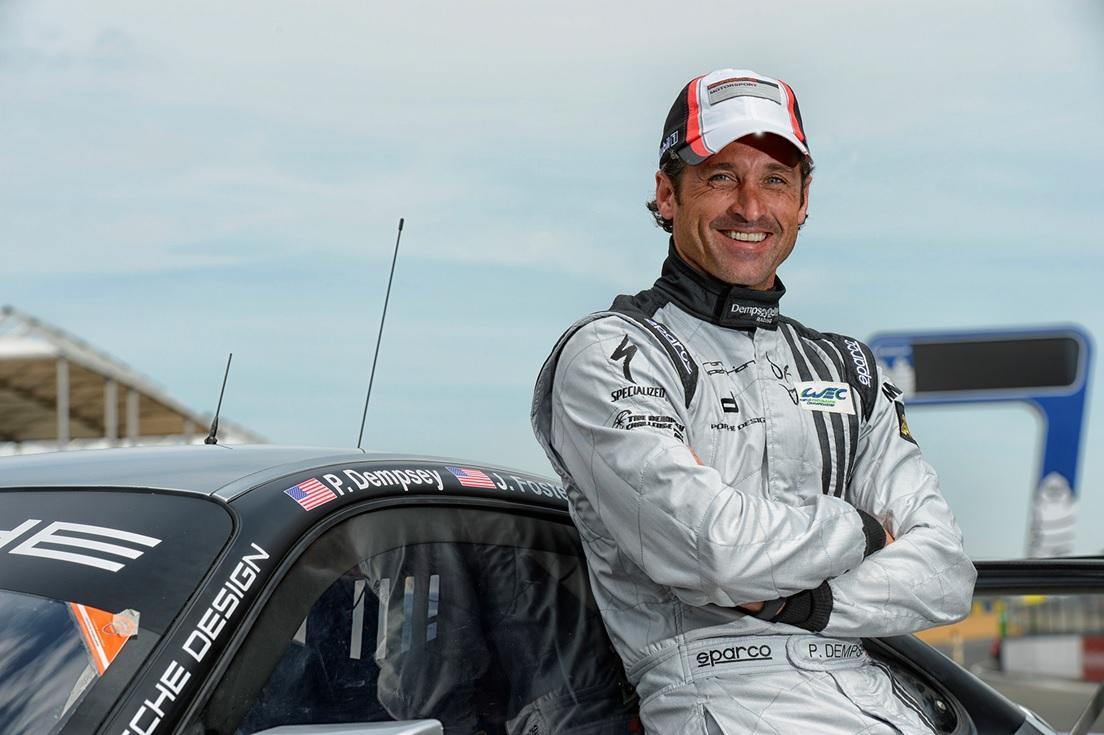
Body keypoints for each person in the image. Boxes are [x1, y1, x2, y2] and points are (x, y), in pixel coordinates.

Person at [530, 68, 977, 734]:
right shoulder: (615, 351)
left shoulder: (848, 367)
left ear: (803, 201)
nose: (750, 206)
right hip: (719, 699)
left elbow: (944, 571)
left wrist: (804, 604)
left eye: (775, 180)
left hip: (880, 701)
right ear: (667, 195)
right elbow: (712, 547)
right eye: (720, 177)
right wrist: (863, 532)